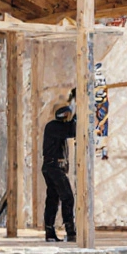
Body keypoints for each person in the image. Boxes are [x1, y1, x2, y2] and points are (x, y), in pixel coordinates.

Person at [41, 104, 77, 243]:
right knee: (67, 197)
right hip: (53, 167)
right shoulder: (54, 126)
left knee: (53, 199)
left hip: (52, 167)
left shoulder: (56, 127)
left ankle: (50, 233)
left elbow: (70, 130)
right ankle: (71, 232)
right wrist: (77, 118)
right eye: (67, 115)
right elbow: (72, 131)